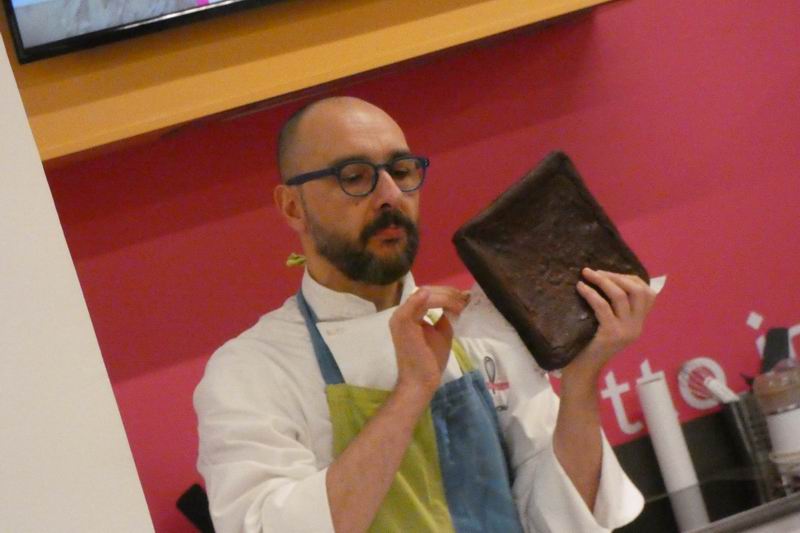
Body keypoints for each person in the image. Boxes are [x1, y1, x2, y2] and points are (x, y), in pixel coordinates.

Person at [194, 96, 655, 532]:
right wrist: (412, 390)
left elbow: (561, 517)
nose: (390, 194)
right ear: (293, 206)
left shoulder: (481, 326)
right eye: (354, 176)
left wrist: (580, 380)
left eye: (401, 170)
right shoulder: (251, 371)